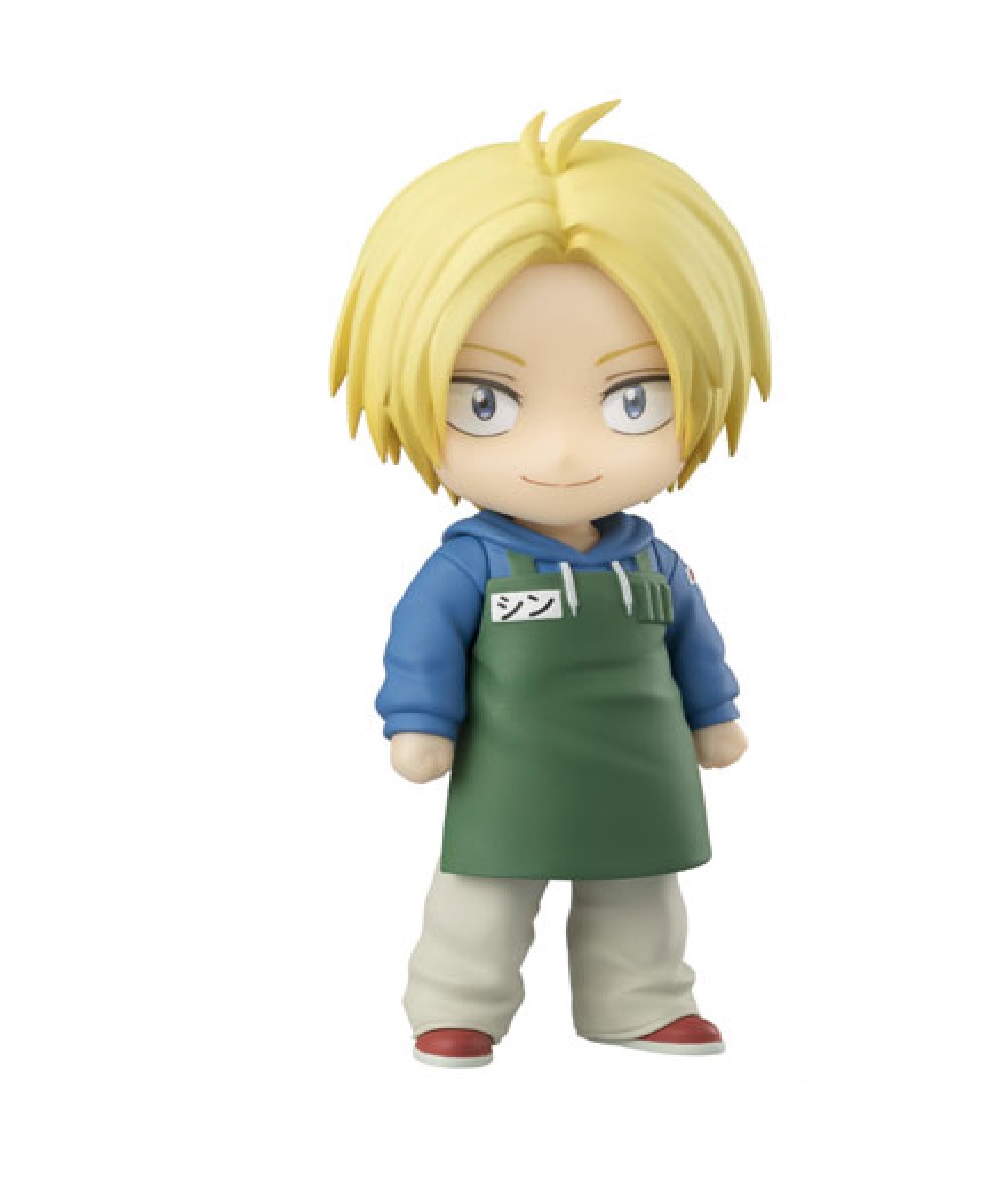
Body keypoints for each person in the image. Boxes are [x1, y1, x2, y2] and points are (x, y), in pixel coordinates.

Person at [329, 100, 770, 1067]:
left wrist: (715, 716)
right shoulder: (469, 565)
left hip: (641, 768)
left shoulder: (653, 562)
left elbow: (695, 646)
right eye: (485, 402)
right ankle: (458, 1002)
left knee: (641, 889)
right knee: (485, 890)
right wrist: (418, 723)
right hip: (511, 772)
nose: (565, 450)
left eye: (633, 398)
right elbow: (422, 644)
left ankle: (642, 1000)